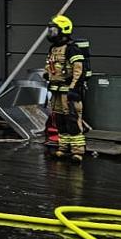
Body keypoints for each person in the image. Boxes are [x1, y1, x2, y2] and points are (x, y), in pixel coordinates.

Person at [43, 15, 89, 163]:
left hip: (69, 92)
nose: (51, 34)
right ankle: (63, 148)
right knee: (59, 120)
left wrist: (74, 89)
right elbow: (50, 65)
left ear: (63, 30)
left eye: (54, 31)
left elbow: (78, 71)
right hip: (56, 91)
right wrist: (47, 74)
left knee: (72, 120)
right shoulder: (53, 48)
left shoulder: (72, 49)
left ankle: (77, 151)